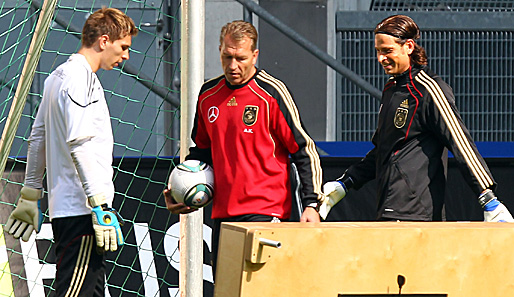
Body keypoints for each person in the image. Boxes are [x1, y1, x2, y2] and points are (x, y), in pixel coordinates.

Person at [164, 20, 323, 274]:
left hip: (267, 212)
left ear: (255, 55)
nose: (233, 65)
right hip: (223, 216)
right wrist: (179, 189)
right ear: (219, 50)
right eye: (227, 57)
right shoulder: (208, 94)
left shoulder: (272, 94)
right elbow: (201, 153)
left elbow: (304, 150)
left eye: (241, 58)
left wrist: (312, 204)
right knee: (225, 290)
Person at [320, 14, 513, 222]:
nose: (380, 59)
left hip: (418, 217)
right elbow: (385, 151)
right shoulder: (392, 89)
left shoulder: (429, 89)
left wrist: (488, 198)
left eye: (387, 51)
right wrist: (346, 182)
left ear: (409, 46)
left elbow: (460, 143)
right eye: (377, 51)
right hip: (387, 211)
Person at [4, 8, 138, 296]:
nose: (126, 55)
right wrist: (99, 205)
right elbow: (79, 141)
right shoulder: (80, 79)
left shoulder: (57, 77)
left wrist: (30, 193)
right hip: (83, 211)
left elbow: (37, 138)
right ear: (104, 41)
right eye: (123, 47)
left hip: (72, 209)